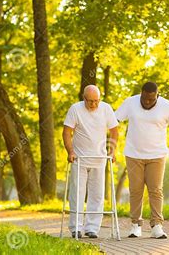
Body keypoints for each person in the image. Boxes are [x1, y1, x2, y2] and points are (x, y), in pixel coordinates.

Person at [115, 81, 169, 239]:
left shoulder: (167, 106)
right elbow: (114, 121)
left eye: (151, 100)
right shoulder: (130, 102)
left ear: (157, 96)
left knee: (155, 190)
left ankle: (157, 225)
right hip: (134, 154)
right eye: (144, 98)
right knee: (136, 190)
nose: (147, 102)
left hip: (157, 155)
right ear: (141, 94)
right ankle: (135, 225)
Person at [62, 85, 118, 239]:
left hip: (99, 159)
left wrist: (112, 151)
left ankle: (92, 228)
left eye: (96, 101)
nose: (93, 104)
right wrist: (70, 151)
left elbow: (114, 131)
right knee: (77, 194)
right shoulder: (75, 109)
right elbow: (67, 132)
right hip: (79, 159)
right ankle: (76, 228)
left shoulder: (106, 109)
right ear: (84, 98)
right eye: (90, 101)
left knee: (97, 195)